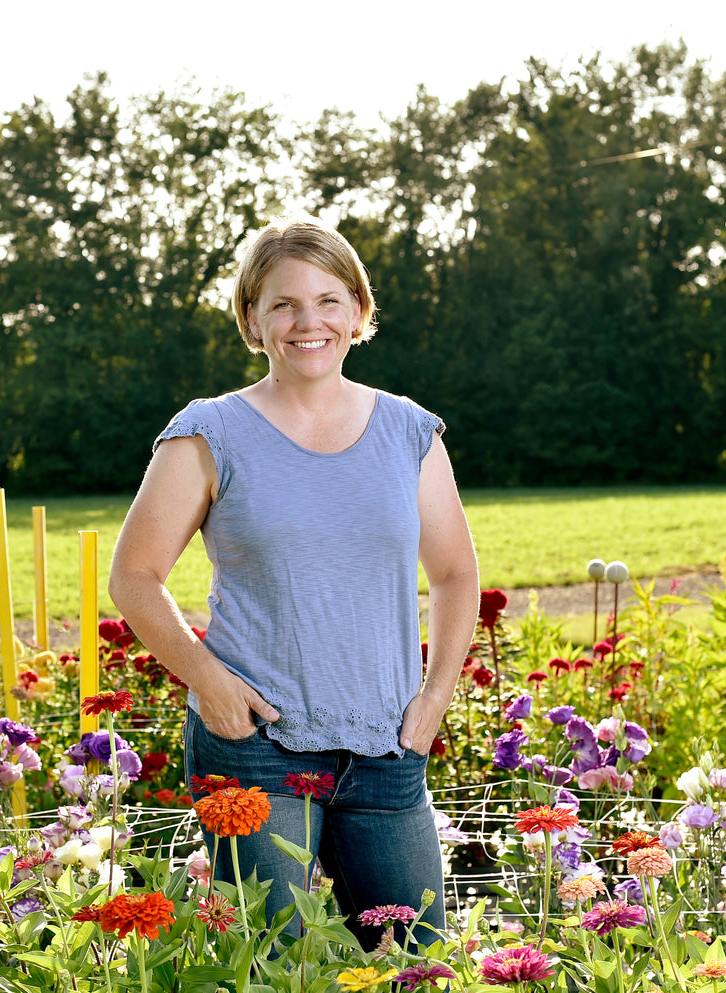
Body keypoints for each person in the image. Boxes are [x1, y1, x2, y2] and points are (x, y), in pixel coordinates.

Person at [108, 215, 479, 948]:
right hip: (255, 746)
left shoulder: (409, 431)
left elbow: (456, 572)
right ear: (253, 317)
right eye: (283, 304)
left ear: (359, 310)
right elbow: (134, 576)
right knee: (273, 963)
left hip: (387, 747)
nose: (309, 321)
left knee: (421, 962)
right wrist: (209, 681)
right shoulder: (208, 432)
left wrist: (434, 697)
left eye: (329, 300)